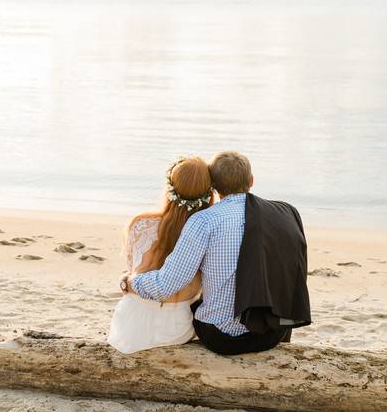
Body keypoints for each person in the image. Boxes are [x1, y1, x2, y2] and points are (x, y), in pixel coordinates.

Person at [122, 151, 310, 356]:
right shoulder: (287, 212)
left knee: (197, 306)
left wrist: (130, 282)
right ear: (252, 180)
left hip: (223, 338)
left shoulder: (204, 221)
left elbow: (167, 285)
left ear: (214, 187)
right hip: (273, 333)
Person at [107, 157, 213, 354]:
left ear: (169, 189)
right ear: (209, 193)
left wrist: (125, 282)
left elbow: (131, 269)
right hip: (176, 329)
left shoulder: (141, 223)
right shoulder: (209, 233)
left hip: (131, 324)